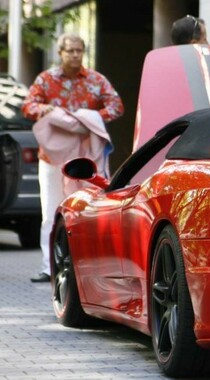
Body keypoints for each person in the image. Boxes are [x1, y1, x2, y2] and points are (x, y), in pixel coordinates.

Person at [22, 33, 124, 283]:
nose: (75, 55)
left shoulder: (96, 80)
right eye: (70, 51)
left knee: (85, 209)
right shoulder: (45, 80)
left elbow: (116, 106)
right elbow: (28, 106)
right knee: (51, 211)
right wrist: (45, 109)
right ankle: (49, 266)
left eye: (79, 50)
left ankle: (85, 265)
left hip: (84, 158)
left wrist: (89, 117)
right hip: (52, 157)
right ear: (60, 53)